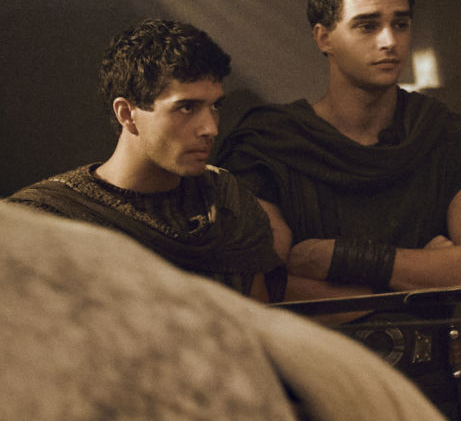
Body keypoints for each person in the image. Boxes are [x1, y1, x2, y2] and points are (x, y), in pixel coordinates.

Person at [216, 0, 461, 421]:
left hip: (425, 400)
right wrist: (424, 278)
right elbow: (267, 290)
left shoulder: (450, 140)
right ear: (323, 36)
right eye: (367, 25)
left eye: (400, 24)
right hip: (310, 400)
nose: (389, 41)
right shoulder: (269, 145)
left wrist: (338, 259)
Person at [10, 18, 279, 298]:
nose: (210, 128)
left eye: (214, 107)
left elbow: (258, 318)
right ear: (127, 114)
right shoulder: (47, 221)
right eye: (187, 108)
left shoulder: (227, 201)